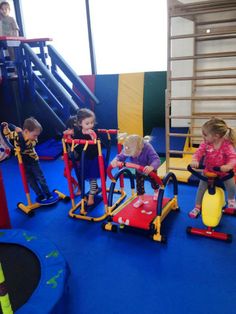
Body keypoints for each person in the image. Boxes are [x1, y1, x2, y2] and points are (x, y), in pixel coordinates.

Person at [189, 118, 236, 218]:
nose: (203, 136)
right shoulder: (205, 143)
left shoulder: (227, 145)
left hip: (224, 171)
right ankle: (197, 207)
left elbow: (233, 158)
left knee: (231, 185)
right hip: (209, 170)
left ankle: (231, 200)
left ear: (216, 136)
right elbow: (198, 153)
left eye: (205, 134)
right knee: (201, 187)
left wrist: (228, 166)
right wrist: (195, 160)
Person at [2, 117, 53, 201]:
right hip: (22, 161)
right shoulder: (16, 134)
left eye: (37, 136)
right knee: (30, 179)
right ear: (26, 131)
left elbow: (28, 146)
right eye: (35, 135)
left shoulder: (32, 141)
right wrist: (6, 128)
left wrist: (19, 134)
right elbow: (8, 135)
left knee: (40, 177)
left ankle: (47, 193)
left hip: (33, 160)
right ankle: (39, 194)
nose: (36, 138)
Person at [111, 134, 161, 208]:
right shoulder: (129, 147)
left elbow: (156, 159)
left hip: (150, 168)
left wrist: (151, 167)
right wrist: (116, 160)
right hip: (138, 169)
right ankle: (141, 199)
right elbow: (121, 156)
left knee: (154, 181)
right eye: (131, 155)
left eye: (134, 154)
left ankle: (156, 191)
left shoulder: (147, 147)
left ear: (140, 148)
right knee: (139, 184)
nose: (133, 156)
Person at [64, 108, 99, 206]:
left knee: (92, 178)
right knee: (86, 176)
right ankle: (93, 189)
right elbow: (75, 146)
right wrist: (69, 137)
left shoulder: (93, 132)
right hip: (84, 160)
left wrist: (93, 138)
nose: (90, 125)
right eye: (87, 123)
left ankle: (91, 197)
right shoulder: (78, 133)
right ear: (80, 124)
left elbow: (97, 147)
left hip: (93, 159)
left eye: (92, 123)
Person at [63, 115, 81, 196]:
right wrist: (63, 154)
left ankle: (80, 188)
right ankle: (75, 183)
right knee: (66, 173)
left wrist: (71, 139)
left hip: (78, 159)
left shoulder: (79, 136)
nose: (69, 130)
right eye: (68, 128)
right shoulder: (67, 136)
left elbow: (78, 147)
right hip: (70, 158)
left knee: (79, 174)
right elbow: (64, 145)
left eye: (71, 129)